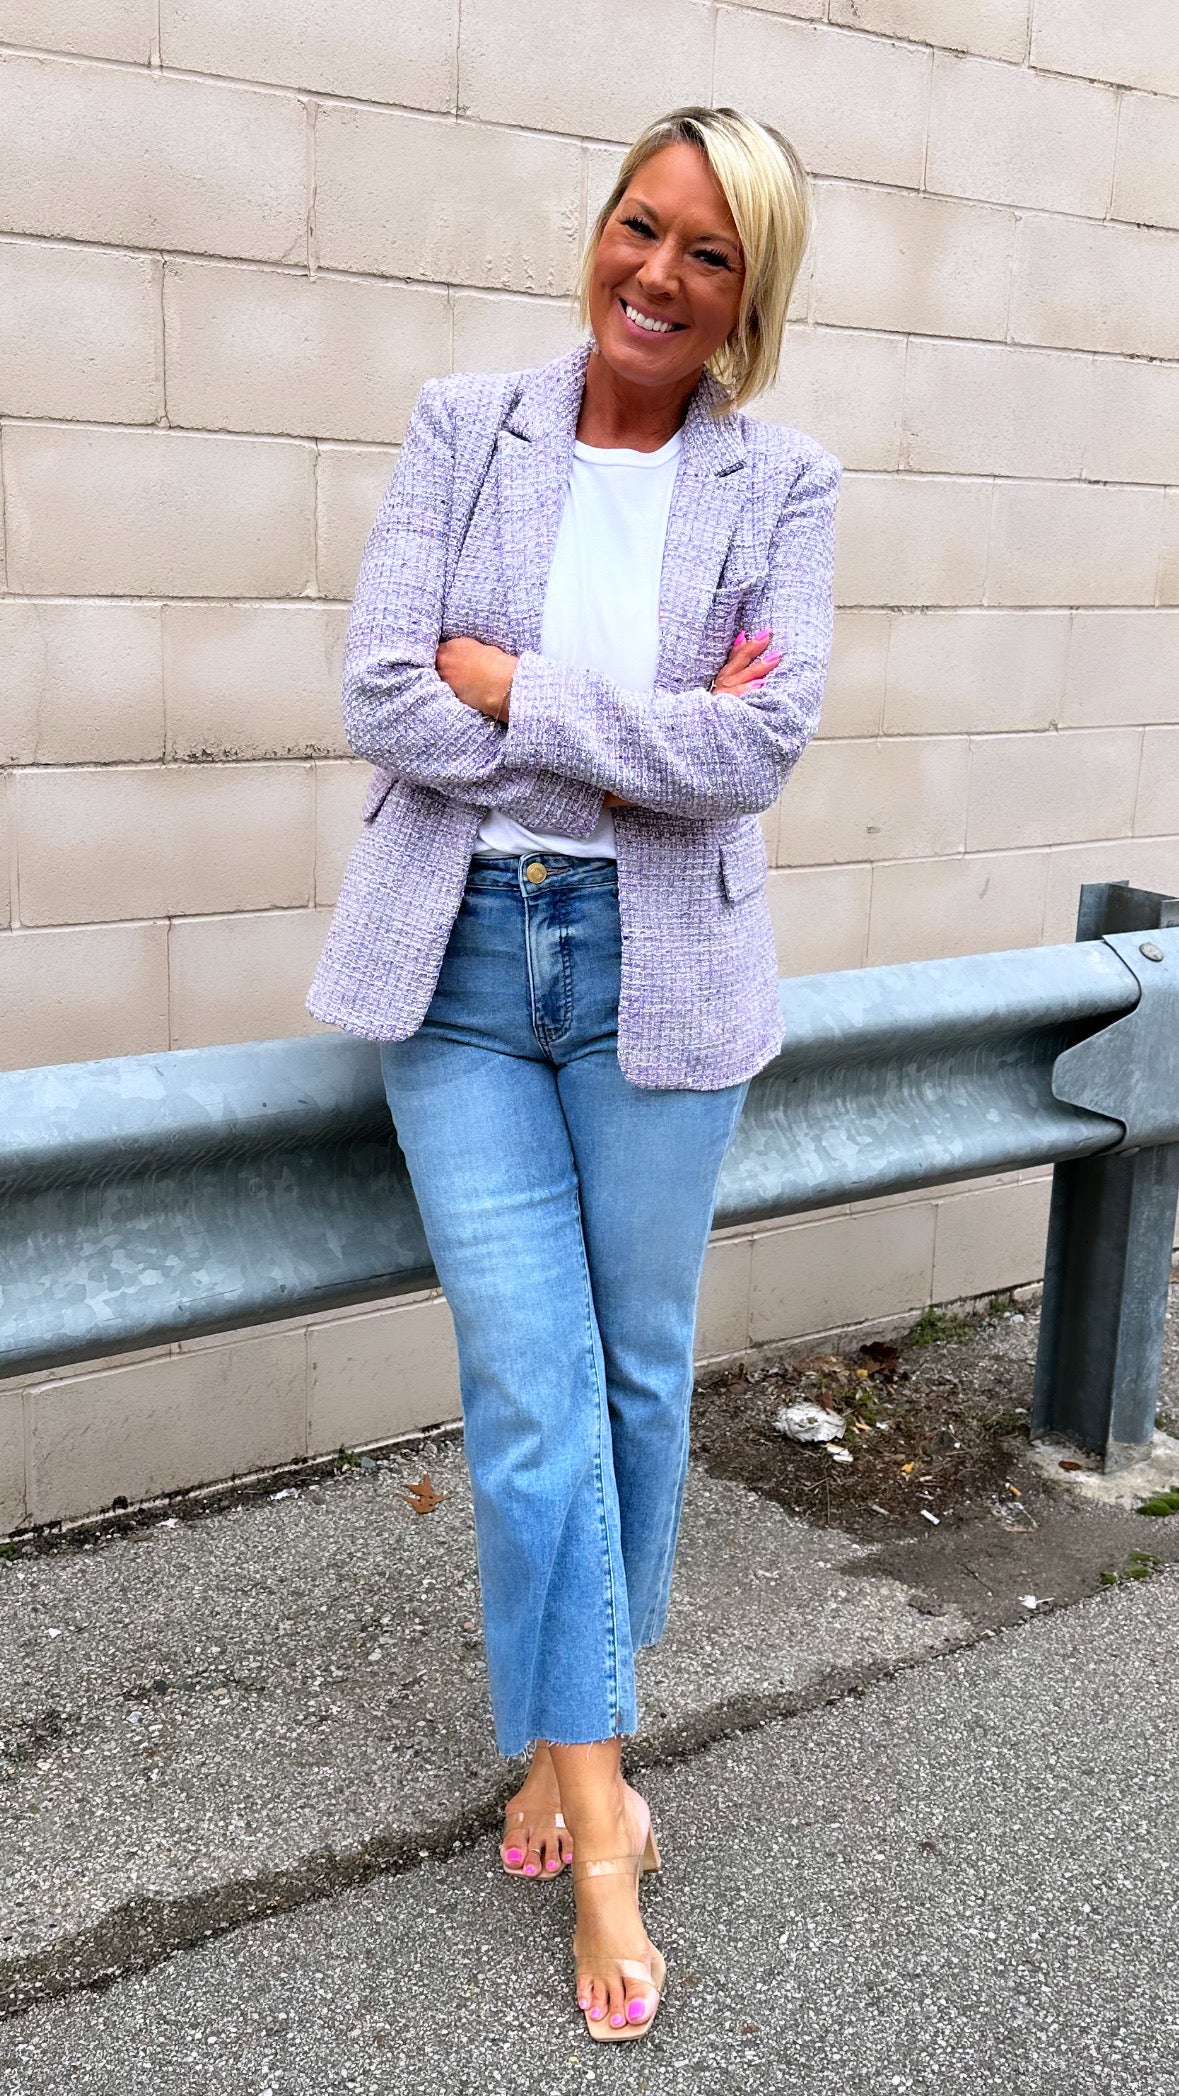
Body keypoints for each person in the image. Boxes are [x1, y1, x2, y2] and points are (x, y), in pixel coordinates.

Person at [307, 103, 841, 2041]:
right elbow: (378, 684)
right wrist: (632, 736)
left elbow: (753, 747)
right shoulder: (469, 424)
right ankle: (603, 1819)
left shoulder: (781, 481)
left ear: (744, 295)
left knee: (629, 1377)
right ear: (599, 228)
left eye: (708, 255)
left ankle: (558, 1745)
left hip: (660, 973)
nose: (657, 276)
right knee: (530, 1389)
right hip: (459, 968)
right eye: (641, 227)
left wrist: (509, 687)